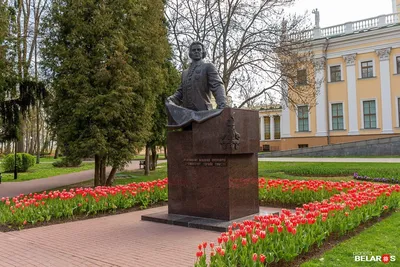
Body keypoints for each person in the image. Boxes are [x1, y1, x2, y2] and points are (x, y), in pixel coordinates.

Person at [167, 41, 227, 111]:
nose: (196, 51)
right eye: (193, 50)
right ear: (190, 53)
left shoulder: (208, 67)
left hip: (204, 112)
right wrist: (171, 99)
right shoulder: (185, 73)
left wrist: (222, 104)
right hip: (187, 114)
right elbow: (181, 91)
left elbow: (217, 85)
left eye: (199, 49)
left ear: (203, 52)